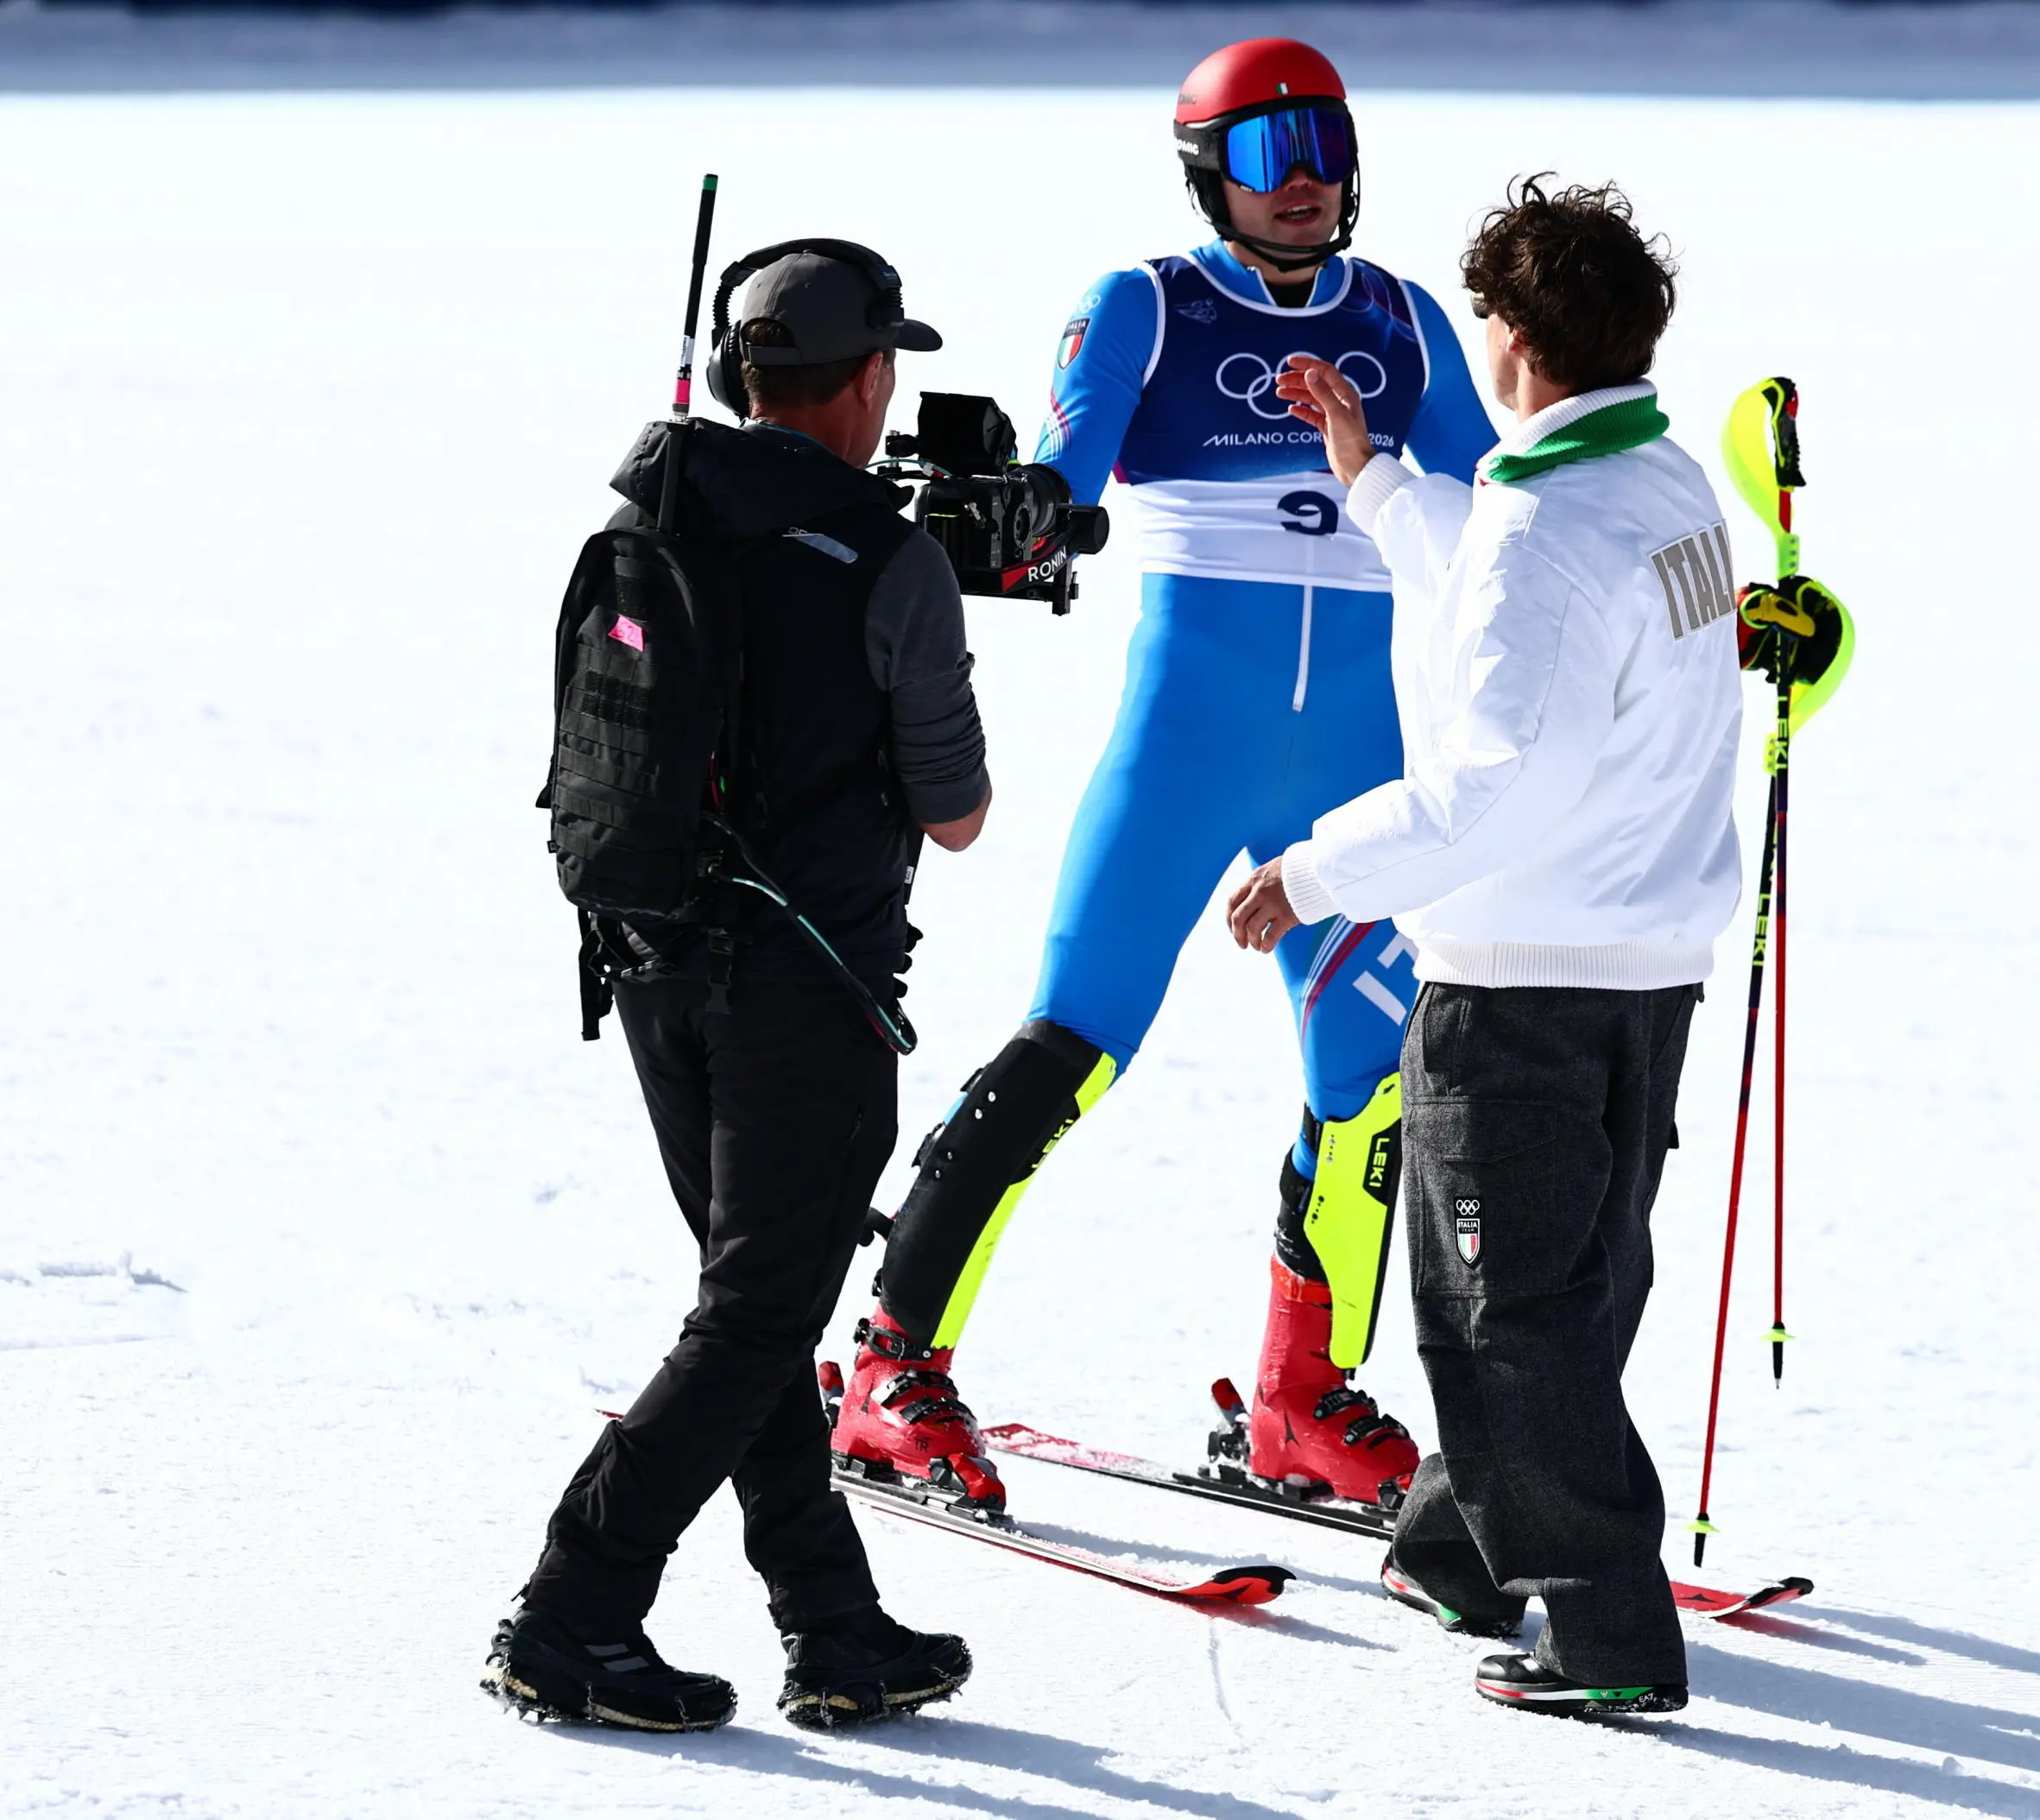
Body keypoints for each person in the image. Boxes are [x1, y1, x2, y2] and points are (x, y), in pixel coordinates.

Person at [830, 37, 1498, 1514]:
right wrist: (1016, 516)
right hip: (1188, 753)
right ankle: (890, 1364)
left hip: (1357, 780)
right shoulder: (1147, 305)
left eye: (1323, 144)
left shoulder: (1401, 321)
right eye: (1266, 153)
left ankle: (1303, 1400)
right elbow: (1060, 484)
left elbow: (1514, 516)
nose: (1303, 179)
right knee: (1076, 1042)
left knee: (1370, 1081)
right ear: (1208, 174)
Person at [1228, 178, 1742, 1717]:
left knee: (1502, 1312)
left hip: (1522, 983)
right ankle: (1458, 1547)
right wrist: (1382, 486)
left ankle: (1602, 1632)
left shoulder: (1545, 525)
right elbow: (1516, 605)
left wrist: (1314, 872)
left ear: (1512, 338)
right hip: (1641, 968)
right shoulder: (1654, 481)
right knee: (1567, 1287)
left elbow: (1497, 780)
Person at [486, 243, 989, 1733]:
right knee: (757, 1320)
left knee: (752, 1311)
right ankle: (571, 1612)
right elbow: (957, 813)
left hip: (650, 965)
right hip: (803, 990)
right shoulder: (889, 558)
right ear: (870, 379)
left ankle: (835, 1626)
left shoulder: (646, 516)